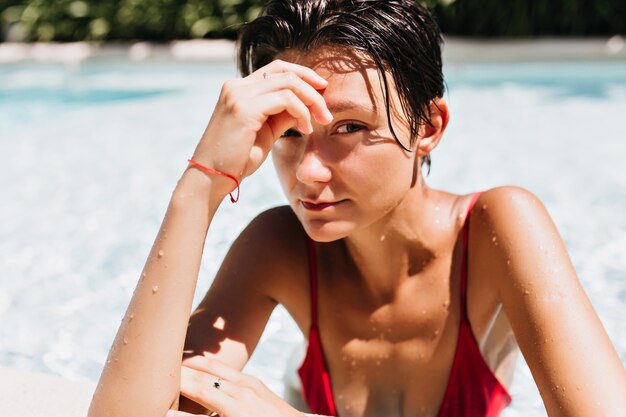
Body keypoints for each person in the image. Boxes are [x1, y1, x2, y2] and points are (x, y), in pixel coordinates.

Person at [88, 1, 625, 416]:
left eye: (350, 128)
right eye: (289, 131)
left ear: (429, 127)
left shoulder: (496, 230)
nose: (308, 173)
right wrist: (199, 185)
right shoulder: (280, 246)